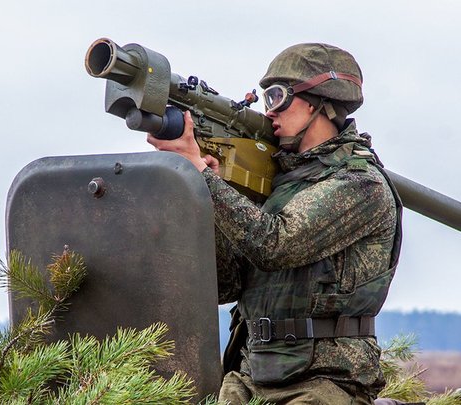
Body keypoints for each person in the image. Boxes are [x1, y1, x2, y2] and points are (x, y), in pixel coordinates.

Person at [148, 43, 402, 404]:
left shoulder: (359, 184)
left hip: (324, 381)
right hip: (250, 376)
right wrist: (209, 193)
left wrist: (204, 176)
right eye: (266, 100)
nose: (269, 113)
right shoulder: (279, 184)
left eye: (279, 97)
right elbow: (228, 283)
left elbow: (275, 244)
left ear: (320, 102)